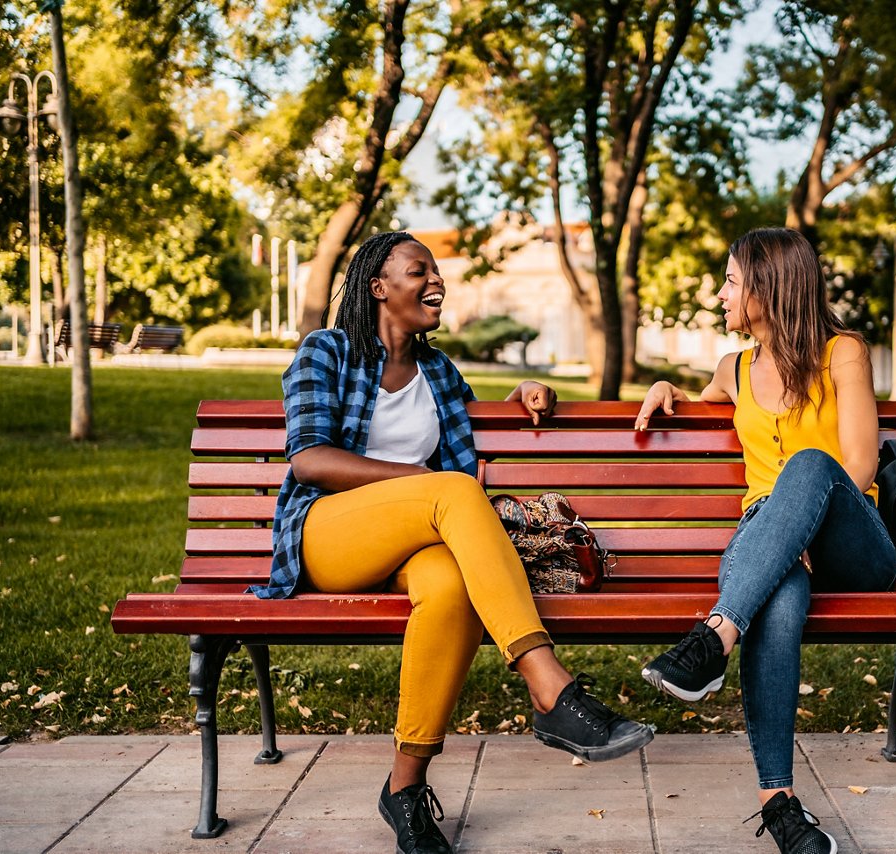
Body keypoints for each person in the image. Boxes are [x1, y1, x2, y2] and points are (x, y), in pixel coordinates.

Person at [261, 230, 653, 854]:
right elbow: (310, 459)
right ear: (379, 287)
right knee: (451, 492)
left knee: (449, 587)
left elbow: (457, 450)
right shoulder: (326, 351)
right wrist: (420, 482)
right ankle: (549, 685)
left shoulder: (438, 370)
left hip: (411, 546)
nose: (436, 282)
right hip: (330, 537)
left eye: (437, 272)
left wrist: (519, 397)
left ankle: (405, 789)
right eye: (419, 272)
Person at [634, 228, 896, 854]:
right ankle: (777, 802)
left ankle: (714, 638)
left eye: (729, 280)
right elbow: (698, 406)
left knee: (808, 464)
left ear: (768, 286)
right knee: (778, 594)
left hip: (851, 539)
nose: (720, 293)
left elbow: (858, 466)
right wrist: (668, 390)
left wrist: (802, 526)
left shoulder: (844, 353)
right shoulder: (734, 367)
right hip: (770, 545)